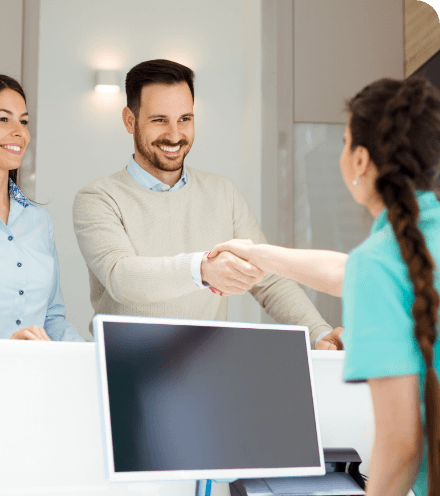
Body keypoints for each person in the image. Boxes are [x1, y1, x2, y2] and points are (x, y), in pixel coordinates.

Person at [209, 76, 440, 496]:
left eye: (343, 142)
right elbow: (348, 270)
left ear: (359, 159)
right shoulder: (404, 250)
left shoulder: (380, 264)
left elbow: (402, 441)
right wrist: (259, 253)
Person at [73, 59, 342, 349]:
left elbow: (269, 280)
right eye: (159, 120)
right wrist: (202, 269)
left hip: (204, 367)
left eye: (184, 119)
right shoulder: (98, 198)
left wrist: (318, 332)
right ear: (129, 120)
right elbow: (122, 277)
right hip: (124, 367)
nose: (175, 135)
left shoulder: (222, 193)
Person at [0, 73, 84, 342]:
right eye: (3, 119)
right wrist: (2, 352)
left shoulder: (38, 220)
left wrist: (88, 356)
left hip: (34, 379)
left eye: (23, 121)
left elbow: (52, 318)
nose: (20, 132)